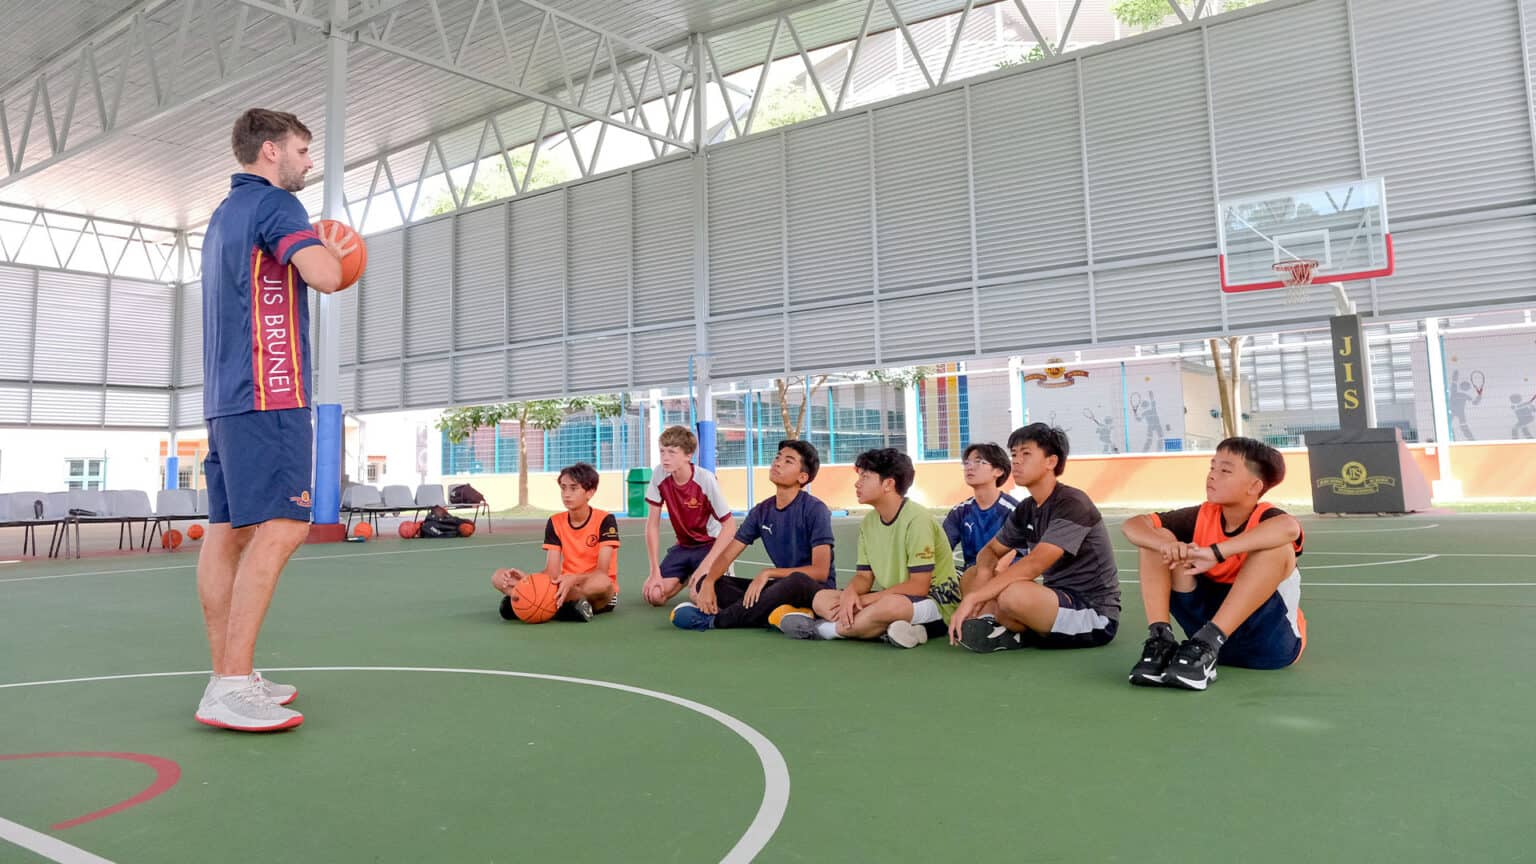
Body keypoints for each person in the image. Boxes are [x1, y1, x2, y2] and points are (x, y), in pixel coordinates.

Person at [195, 108, 356, 732]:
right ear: (270, 151)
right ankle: (232, 684)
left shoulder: (222, 216)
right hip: (271, 390)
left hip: (225, 396)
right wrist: (334, 249)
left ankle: (227, 673)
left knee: (227, 530)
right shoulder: (278, 208)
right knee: (287, 524)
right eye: (302, 150)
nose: (308, 162)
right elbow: (325, 276)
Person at [1121, 437, 1306, 691]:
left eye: (1225, 470)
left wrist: (1216, 552)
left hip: (1268, 645)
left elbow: (1289, 528)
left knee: (1277, 548)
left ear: (1254, 486)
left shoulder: (1267, 517)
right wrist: (1165, 545)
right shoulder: (1202, 515)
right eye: (1212, 467)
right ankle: (1161, 638)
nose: (1212, 476)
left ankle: (1211, 641)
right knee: (1157, 537)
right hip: (1196, 646)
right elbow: (1132, 525)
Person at [948, 424, 1121, 654]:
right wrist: (984, 574)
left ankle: (1007, 628)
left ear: (1051, 461)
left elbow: (1035, 564)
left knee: (1013, 594)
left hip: (1092, 613)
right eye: (1014, 454)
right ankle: (992, 623)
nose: (1016, 461)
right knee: (972, 574)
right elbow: (990, 551)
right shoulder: (1027, 508)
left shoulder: (1072, 503)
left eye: (1026, 454)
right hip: (1054, 599)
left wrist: (976, 597)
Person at [777, 448, 959, 649]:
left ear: (888, 484)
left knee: (889, 606)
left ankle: (824, 630)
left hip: (935, 602)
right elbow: (864, 577)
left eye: (865, 476)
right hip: (890, 597)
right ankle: (889, 631)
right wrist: (850, 594)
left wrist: (863, 600)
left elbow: (918, 586)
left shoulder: (918, 520)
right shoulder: (868, 522)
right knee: (822, 598)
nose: (857, 483)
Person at [670, 440, 835, 631]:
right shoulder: (761, 511)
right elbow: (727, 554)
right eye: (777, 457)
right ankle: (781, 615)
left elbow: (820, 572)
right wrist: (708, 581)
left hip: (813, 590)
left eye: (788, 461)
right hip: (779, 588)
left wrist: (768, 573)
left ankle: (715, 621)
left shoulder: (816, 510)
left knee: (795, 581)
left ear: (803, 477)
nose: (778, 463)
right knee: (707, 583)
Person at [492, 462, 620, 622]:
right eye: (563, 488)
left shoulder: (605, 520)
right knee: (498, 577)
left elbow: (602, 571)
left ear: (590, 492)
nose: (566, 494)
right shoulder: (555, 522)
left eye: (573, 488)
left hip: (594, 588)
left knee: (602, 582)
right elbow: (552, 572)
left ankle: (527, 602)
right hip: (562, 585)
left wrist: (575, 579)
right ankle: (558, 606)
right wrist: (529, 580)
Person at [641, 425, 735, 607]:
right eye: (662, 451)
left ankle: (712, 572)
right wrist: (654, 572)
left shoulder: (705, 479)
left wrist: (705, 567)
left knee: (699, 597)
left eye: (672, 452)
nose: (665, 457)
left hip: (711, 545)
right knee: (654, 595)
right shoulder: (659, 474)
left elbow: (729, 526)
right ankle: (688, 576)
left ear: (688, 455)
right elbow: (652, 524)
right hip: (684, 547)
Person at [942, 442, 1018, 596]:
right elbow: (942, 548)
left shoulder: (1013, 510)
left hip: (1006, 577)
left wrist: (993, 572)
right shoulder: (960, 512)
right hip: (971, 576)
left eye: (978, 461)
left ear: (998, 470)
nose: (969, 467)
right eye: (967, 462)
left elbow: (1018, 552)